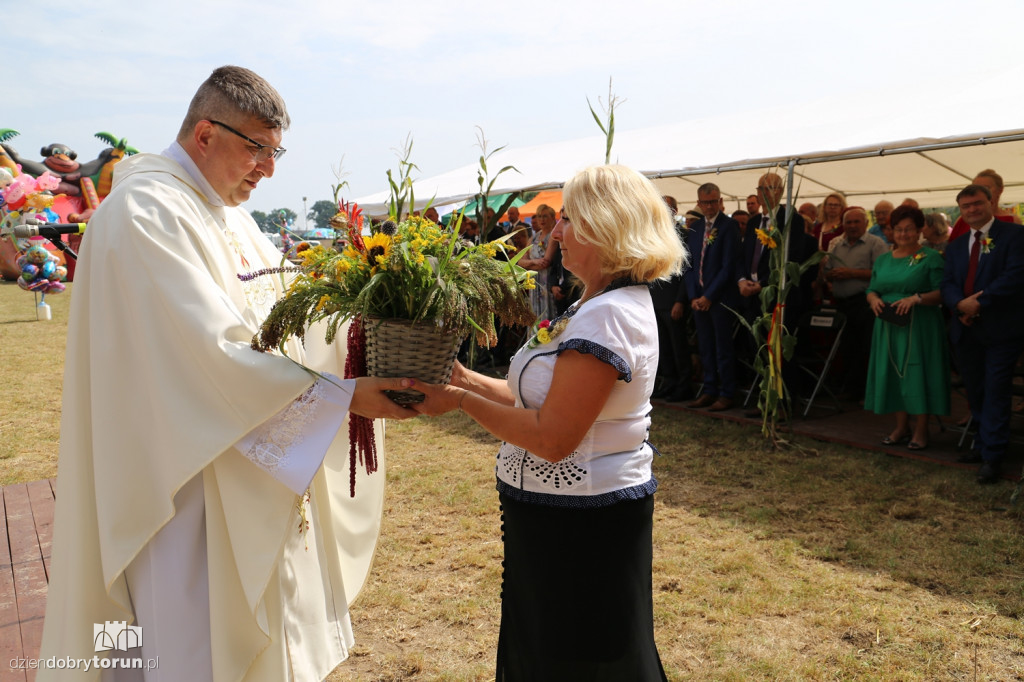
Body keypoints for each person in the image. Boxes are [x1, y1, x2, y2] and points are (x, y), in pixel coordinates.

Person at [38, 66, 416, 682]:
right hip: (185, 484)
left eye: (276, 152)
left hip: (251, 467)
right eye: (257, 148)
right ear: (206, 133)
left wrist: (370, 327)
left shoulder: (233, 218)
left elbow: (288, 315)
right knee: (196, 649)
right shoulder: (145, 212)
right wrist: (343, 400)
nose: (268, 169)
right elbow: (208, 358)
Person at [409, 164, 684, 680]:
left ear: (608, 227)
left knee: (581, 658)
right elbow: (526, 397)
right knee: (552, 647)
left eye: (570, 220)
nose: (556, 232)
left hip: (583, 519)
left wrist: (459, 403)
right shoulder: (594, 303)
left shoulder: (609, 315)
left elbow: (553, 438)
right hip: (556, 511)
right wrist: (461, 377)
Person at [941, 183, 1024, 484]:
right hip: (966, 330)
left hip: (1001, 330)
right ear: (960, 211)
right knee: (974, 391)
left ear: (991, 202)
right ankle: (981, 443)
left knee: (996, 391)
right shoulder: (956, 244)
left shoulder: (1015, 236)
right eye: (966, 206)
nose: (972, 209)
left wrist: (979, 304)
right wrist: (959, 306)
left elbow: (1015, 277)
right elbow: (948, 282)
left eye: (977, 203)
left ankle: (993, 456)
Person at [864, 205, 949, 450]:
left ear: (920, 229)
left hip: (920, 326)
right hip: (888, 325)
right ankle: (902, 426)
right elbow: (872, 288)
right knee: (893, 373)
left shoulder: (931, 257)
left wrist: (917, 299)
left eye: (909, 229)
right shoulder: (882, 259)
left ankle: (922, 428)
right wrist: (873, 300)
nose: (903, 234)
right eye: (898, 229)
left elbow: (942, 292)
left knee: (917, 373)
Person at [822, 206, 889, 399]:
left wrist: (852, 273)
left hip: (865, 303)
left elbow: (882, 274)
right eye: (848, 222)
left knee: (864, 348)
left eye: (856, 222)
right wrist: (830, 274)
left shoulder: (875, 244)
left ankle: (865, 392)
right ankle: (850, 390)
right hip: (842, 304)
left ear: (866, 223)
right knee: (847, 348)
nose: (852, 226)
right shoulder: (837, 245)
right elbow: (827, 270)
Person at [685, 182, 741, 411]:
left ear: (720, 201)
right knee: (705, 346)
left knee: (723, 347)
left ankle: (727, 392)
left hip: (720, 299)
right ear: (698, 203)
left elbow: (728, 266)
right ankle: (709, 390)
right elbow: (688, 265)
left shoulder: (729, 226)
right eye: (706, 202)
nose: (710, 206)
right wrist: (693, 296)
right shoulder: (696, 228)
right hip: (698, 299)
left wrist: (709, 296)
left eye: (714, 201)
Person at [949, 168, 1022, 241]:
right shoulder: (963, 220)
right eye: (975, 188)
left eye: (986, 188)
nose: (980, 192)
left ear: (1000, 190)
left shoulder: (1012, 220)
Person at [518, 203, 561, 320]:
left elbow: (546, 262)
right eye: (539, 216)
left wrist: (529, 264)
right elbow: (520, 261)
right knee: (534, 314)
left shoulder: (553, 236)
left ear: (553, 218)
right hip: (534, 283)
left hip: (547, 282)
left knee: (547, 314)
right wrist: (536, 262)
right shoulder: (534, 237)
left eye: (545, 216)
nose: (541, 219)